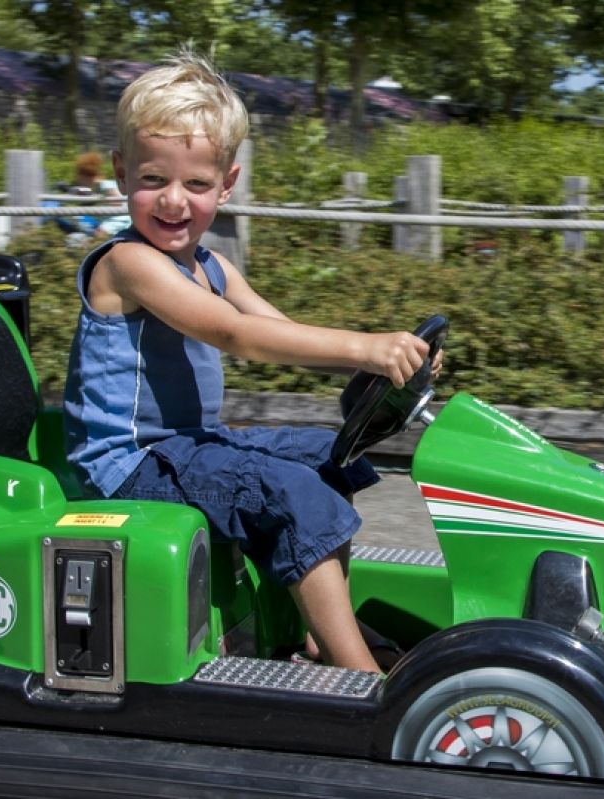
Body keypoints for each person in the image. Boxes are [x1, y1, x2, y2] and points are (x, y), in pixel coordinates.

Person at [63, 50, 436, 674]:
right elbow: (239, 336)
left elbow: (275, 329)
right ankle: (361, 678)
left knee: (326, 459)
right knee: (289, 491)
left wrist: (386, 367)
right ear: (123, 174)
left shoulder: (209, 264)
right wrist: (365, 343)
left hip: (186, 446)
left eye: (197, 185)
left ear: (227, 184)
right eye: (153, 180)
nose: (173, 201)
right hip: (125, 466)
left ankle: (321, 632)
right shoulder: (127, 264)